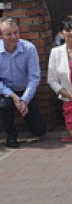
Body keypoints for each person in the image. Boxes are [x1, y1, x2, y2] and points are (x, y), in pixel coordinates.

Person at [0, 18, 47, 148]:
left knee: (40, 130)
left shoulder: (29, 48)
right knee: (6, 106)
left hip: (25, 90)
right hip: (4, 91)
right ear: (1, 36)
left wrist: (24, 100)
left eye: (16, 32)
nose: (13, 37)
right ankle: (11, 136)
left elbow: (34, 77)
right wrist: (12, 96)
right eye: (8, 34)